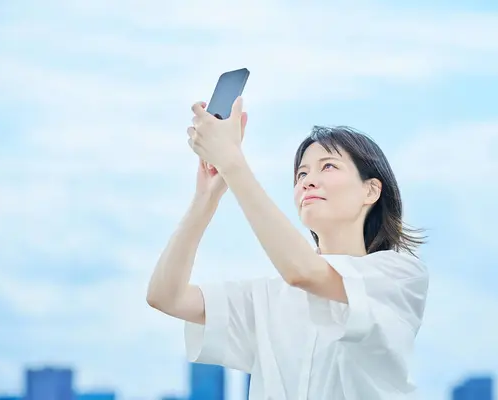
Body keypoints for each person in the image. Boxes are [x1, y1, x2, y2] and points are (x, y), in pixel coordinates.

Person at [146, 97, 429, 400]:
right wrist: (205, 199)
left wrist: (232, 163)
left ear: (371, 189)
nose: (308, 182)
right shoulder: (269, 296)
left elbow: (304, 272)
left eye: (328, 166)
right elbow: (166, 296)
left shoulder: (397, 278)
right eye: (302, 174)